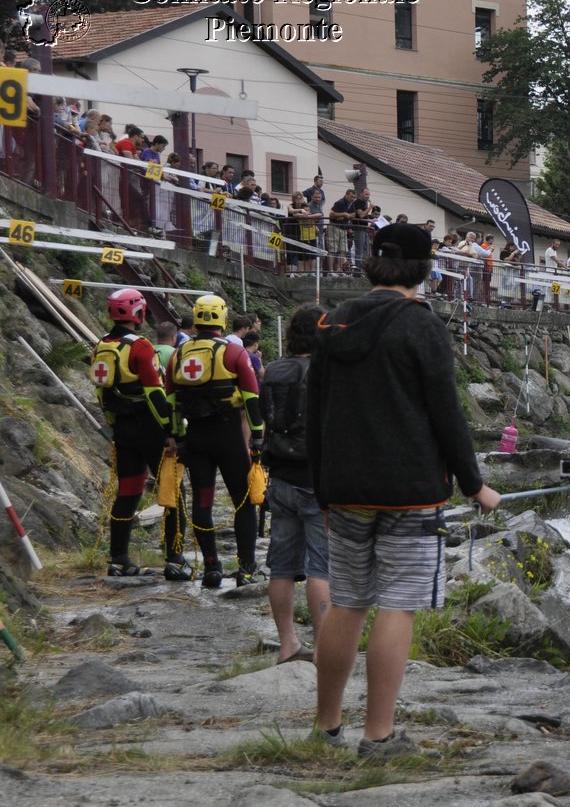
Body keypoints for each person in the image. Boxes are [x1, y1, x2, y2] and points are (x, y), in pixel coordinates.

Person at [307, 223, 500, 759]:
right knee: (398, 604)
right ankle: (379, 736)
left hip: (343, 488)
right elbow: (447, 413)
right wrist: (474, 484)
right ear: (423, 268)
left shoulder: (333, 322)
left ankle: (325, 727)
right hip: (410, 490)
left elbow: (315, 413)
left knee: (346, 602)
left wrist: (324, 489)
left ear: (374, 264)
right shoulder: (422, 326)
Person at [88, 288, 189, 579]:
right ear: (138, 313)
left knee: (129, 490)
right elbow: (156, 395)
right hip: (150, 428)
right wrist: (172, 430)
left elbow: (102, 394)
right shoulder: (141, 347)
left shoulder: (101, 346)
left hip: (122, 428)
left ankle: (119, 558)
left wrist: (113, 425)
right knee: (172, 489)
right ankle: (175, 557)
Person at [169, 294, 264, 589]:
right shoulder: (234, 354)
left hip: (195, 437)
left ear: (196, 317)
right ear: (222, 318)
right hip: (228, 437)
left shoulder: (179, 354)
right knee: (243, 502)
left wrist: (177, 437)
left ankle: (211, 566)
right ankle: (246, 568)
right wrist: (258, 436)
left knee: (203, 501)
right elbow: (251, 396)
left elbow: (171, 400)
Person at [261, 306, 329, 665]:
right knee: (321, 567)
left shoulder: (271, 369)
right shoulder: (324, 372)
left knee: (281, 566)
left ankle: (288, 644)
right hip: (315, 479)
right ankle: (323, 649)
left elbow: (262, 417)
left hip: (280, 476)